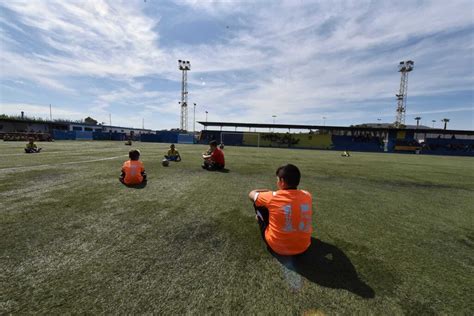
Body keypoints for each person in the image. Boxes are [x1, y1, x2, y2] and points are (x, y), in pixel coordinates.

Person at [248, 164, 313, 256]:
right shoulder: (307, 195)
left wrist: (265, 190)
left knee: (260, 205)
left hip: (277, 247)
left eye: (277, 179)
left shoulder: (272, 196)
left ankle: (259, 218)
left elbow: (251, 194)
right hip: (304, 246)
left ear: (282, 181)